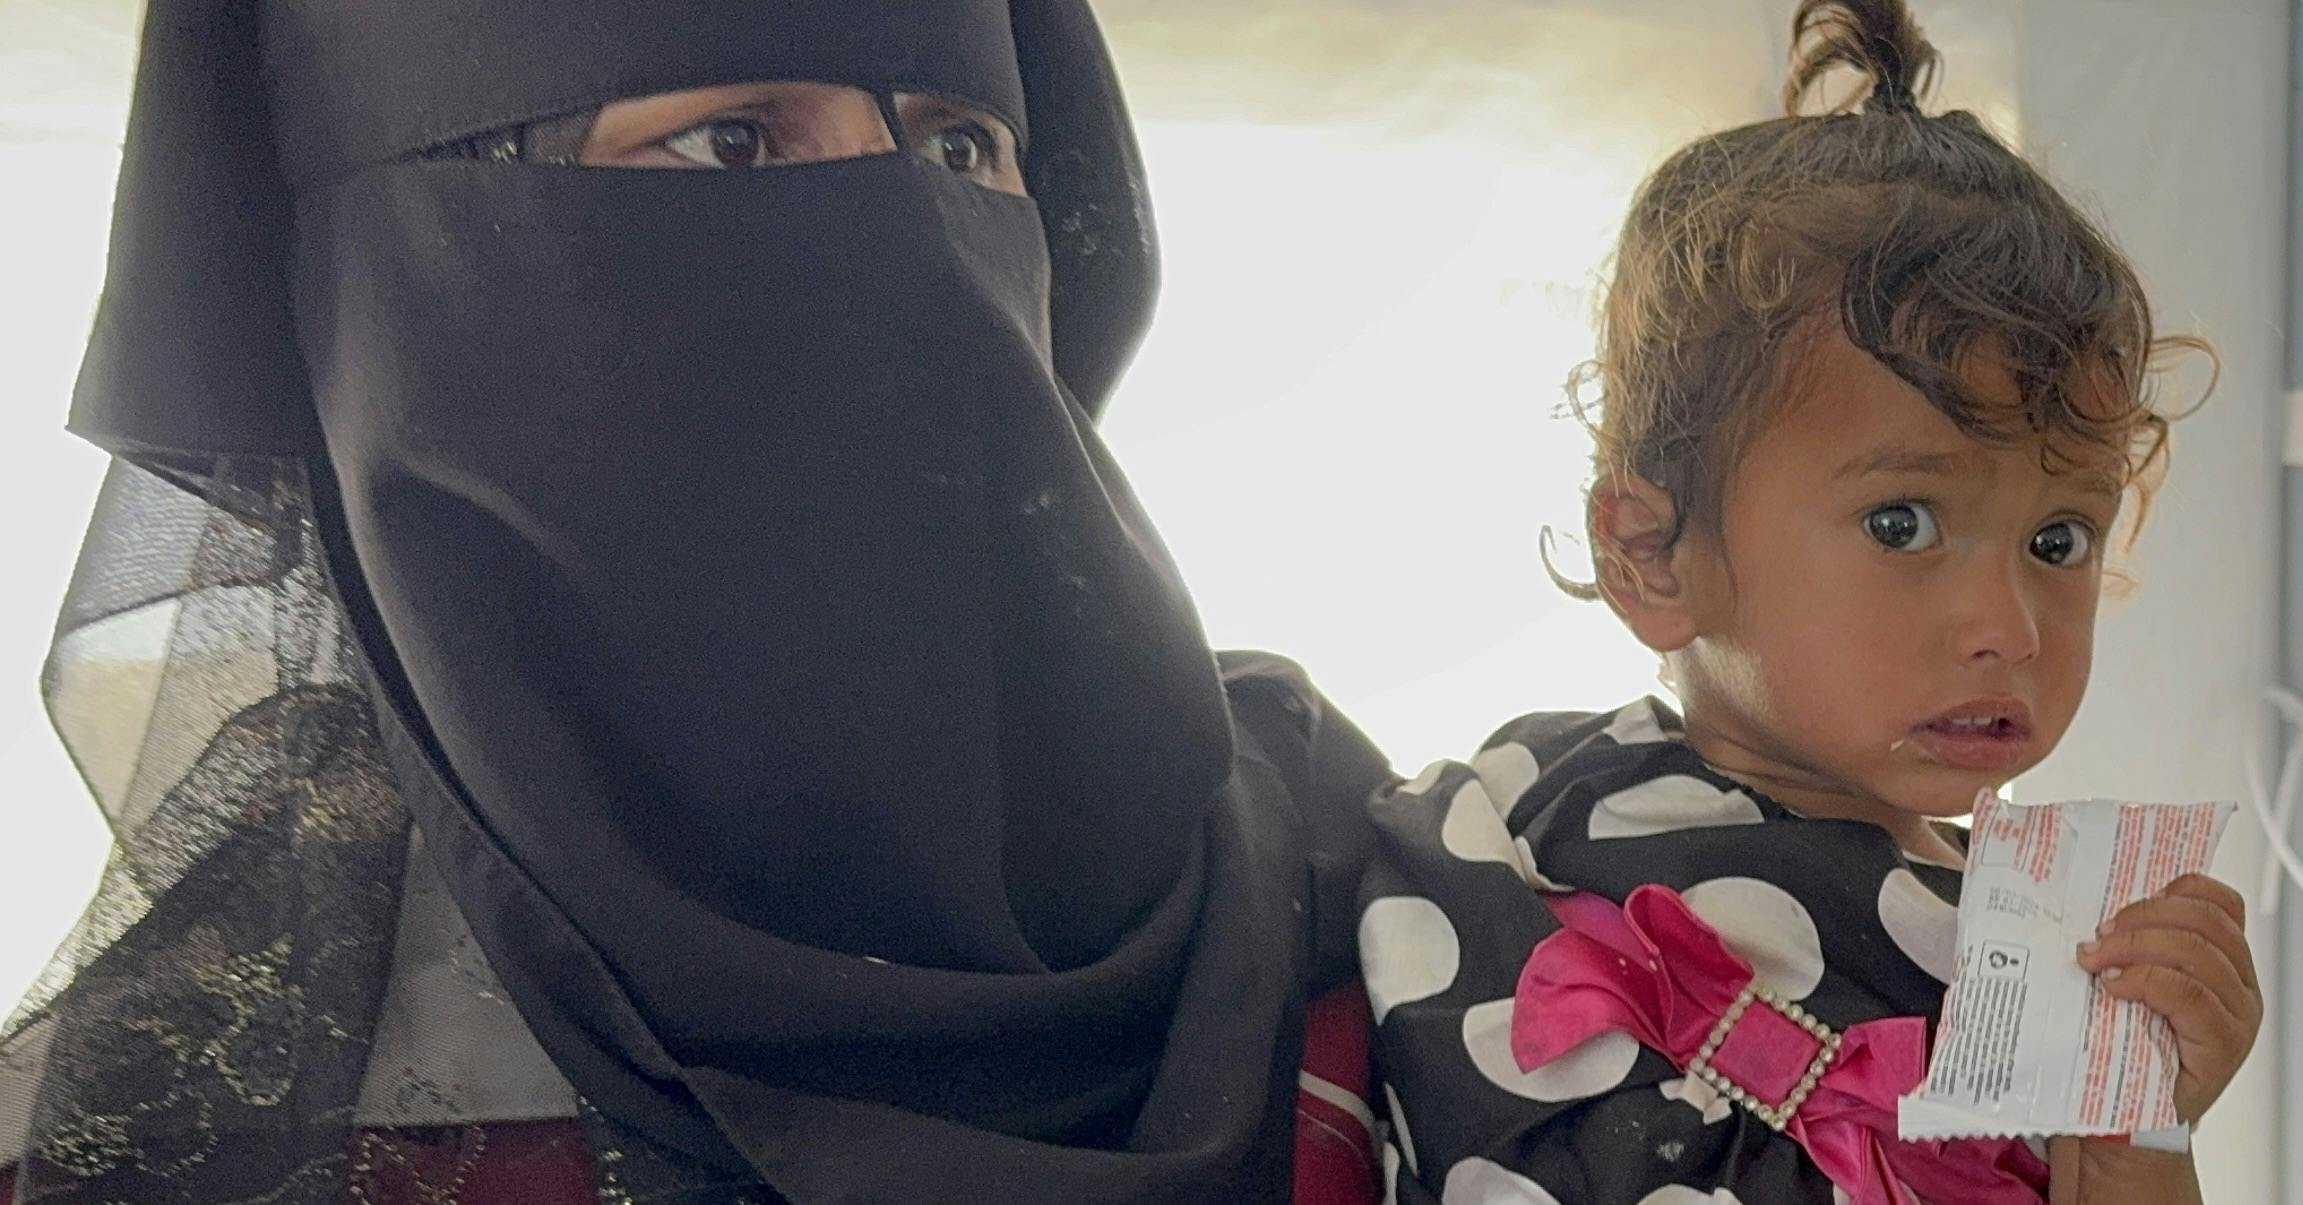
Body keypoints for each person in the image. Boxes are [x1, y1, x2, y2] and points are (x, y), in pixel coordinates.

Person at [0, 2, 1391, 1201]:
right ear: (426, 280)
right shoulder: (189, 1116)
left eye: (963, 145)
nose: (910, 230)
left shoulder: (1392, 897)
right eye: (734, 139)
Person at [1350, 2, 2253, 1201]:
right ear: (1657, 553)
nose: (2011, 625)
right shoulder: (1516, 835)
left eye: (2057, 536)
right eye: (1902, 523)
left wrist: (2139, 1126)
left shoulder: (2055, 950)